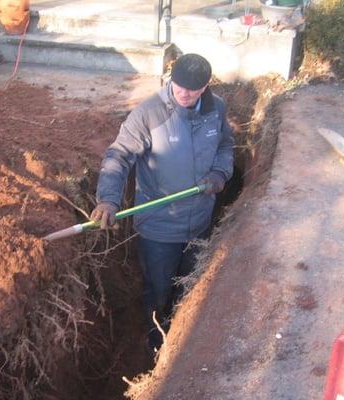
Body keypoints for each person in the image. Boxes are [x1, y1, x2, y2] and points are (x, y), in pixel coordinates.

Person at [90, 53, 234, 353]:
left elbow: (224, 145)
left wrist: (220, 173)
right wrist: (107, 199)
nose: (183, 93)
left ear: (206, 86)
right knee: (159, 290)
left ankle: (184, 342)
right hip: (158, 229)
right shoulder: (149, 113)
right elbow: (119, 155)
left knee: (190, 289)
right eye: (178, 86)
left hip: (200, 224)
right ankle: (157, 342)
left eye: (192, 90)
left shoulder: (216, 109)